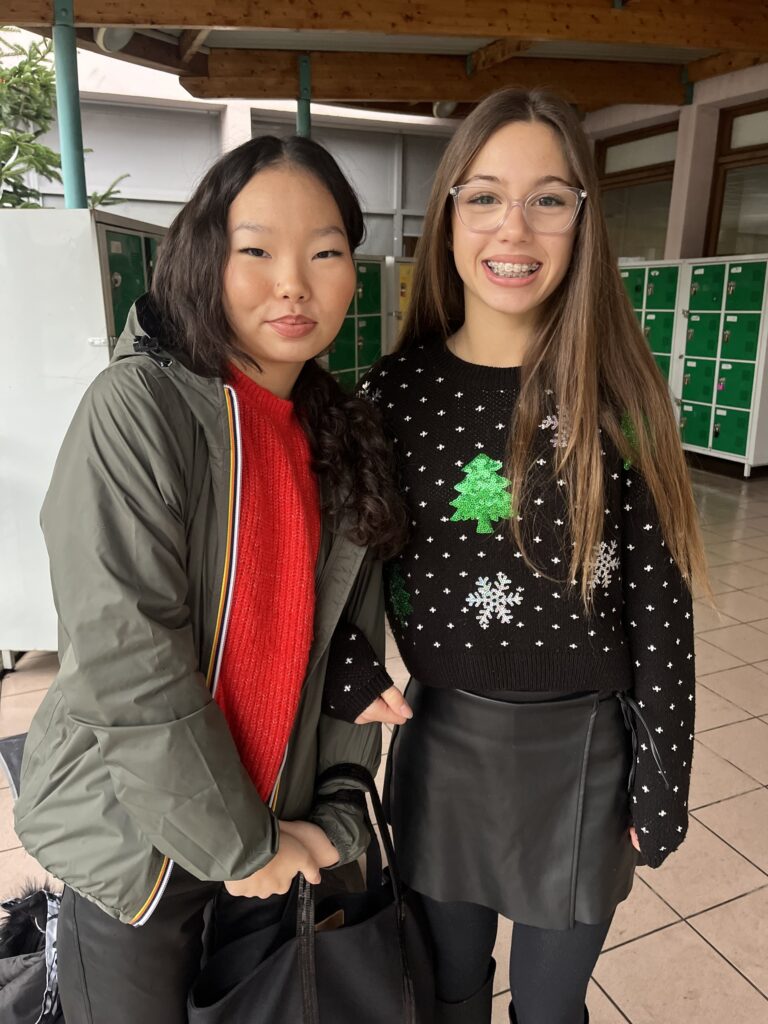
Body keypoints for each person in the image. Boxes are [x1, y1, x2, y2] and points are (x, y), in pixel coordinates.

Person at [324, 88, 707, 1024]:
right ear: (449, 213)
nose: (514, 228)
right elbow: (324, 569)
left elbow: (662, 605)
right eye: (486, 196)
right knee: (449, 992)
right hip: (443, 747)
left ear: (583, 219)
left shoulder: (619, 392)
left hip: (586, 759)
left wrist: (665, 779)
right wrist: (342, 665)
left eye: (549, 199)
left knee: (549, 1007)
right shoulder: (391, 393)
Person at [14, 134, 408, 1023]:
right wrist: (240, 847)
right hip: (140, 846)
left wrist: (338, 815)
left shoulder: (341, 437)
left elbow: (347, 647)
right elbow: (127, 658)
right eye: (257, 251)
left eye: (326, 253)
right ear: (204, 260)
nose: (293, 284)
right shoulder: (140, 407)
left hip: (279, 835)